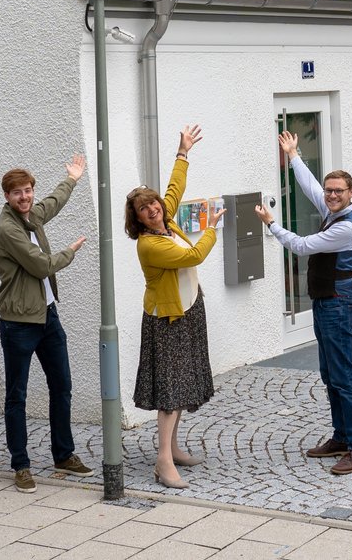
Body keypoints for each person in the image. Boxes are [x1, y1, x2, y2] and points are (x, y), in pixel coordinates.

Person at [257, 130, 352, 475]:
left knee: (343, 375)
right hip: (326, 300)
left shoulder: (346, 227)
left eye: (339, 191)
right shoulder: (333, 209)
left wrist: (272, 224)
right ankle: (340, 436)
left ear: (351, 193)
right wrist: (293, 155)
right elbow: (309, 188)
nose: (331, 195)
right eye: (329, 189)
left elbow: (303, 246)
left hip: (339, 301)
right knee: (329, 373)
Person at [127, 125, 222, 489]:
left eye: (153, 204)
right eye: (144, 208)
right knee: (170, 391)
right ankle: (163, 462)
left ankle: (173, 449)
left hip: (188, 309)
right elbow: (194, 254)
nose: (153, 209)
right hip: (168, 318)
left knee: (181, 385)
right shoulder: (150, 244)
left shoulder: (164, 218)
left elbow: (173, 190)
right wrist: (211, 228)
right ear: (136, 218)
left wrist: (183, 152)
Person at [0, 156, 93, 492]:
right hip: (19, 323)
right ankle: (21, 465)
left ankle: (63, 455)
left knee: (62, 386)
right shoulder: (8, 228)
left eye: (28, 190)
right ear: (7, 196)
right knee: (16, 396)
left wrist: (72, 179)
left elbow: (51, 205)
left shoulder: (30, 215)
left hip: (48, 316)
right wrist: (70, 251)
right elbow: (40, 266)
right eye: (17, 192)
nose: (24, 197)